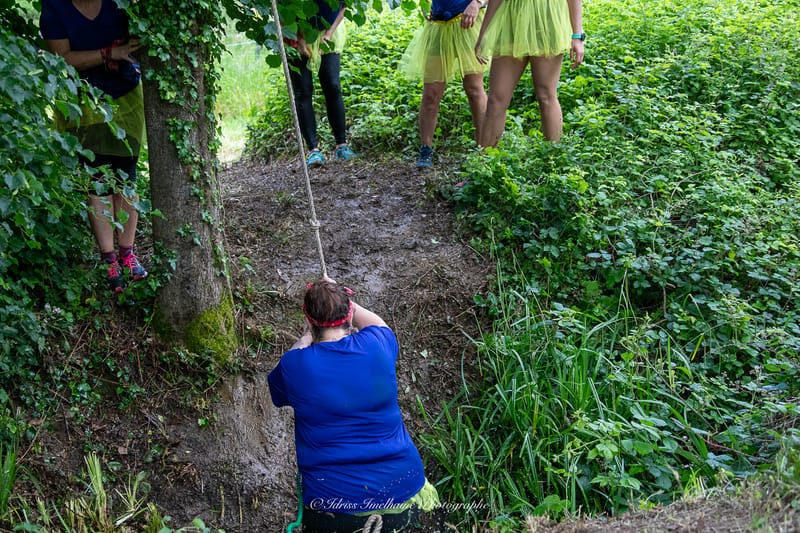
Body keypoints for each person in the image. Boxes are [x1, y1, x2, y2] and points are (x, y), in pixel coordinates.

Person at [268, 278, 440, 532]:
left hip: (334, 501)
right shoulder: (377, 344)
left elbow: (280, 384)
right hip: (403, 487)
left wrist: (306, 336)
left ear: (309, 318)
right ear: (348, 314)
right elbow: (376, 322)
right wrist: (340, 297)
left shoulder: (294, 365)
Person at [40, 0, 148, 293]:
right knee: (97, 179)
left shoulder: (119, 3)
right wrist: (108, 54)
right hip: (83, 101)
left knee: (126, 176)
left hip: (125, 97)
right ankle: (109, 259)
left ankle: (127, 252)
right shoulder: (55, 8)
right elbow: (61, 58)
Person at [475, 0, 585, 147]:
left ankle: (552, 161)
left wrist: (577, 36)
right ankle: (484, 163)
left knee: (546, 95)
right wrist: (483, 33)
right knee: (496, 99)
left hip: (547, 17)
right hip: (512, 18)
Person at [399, 0, 489, 168]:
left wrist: (477, 3)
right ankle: (426, 148)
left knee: (474, 89)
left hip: (467, 23)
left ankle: (482, 150)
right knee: (431, 94)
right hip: (438, 26)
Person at [287, 0, 356, 169]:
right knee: (303, 90)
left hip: (328, 32)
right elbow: (282, 10)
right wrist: (298, 38)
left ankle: (342, 145)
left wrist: (328, 34)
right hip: (296, 33)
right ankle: (313, 150)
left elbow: (344, 5)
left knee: (332, 85)